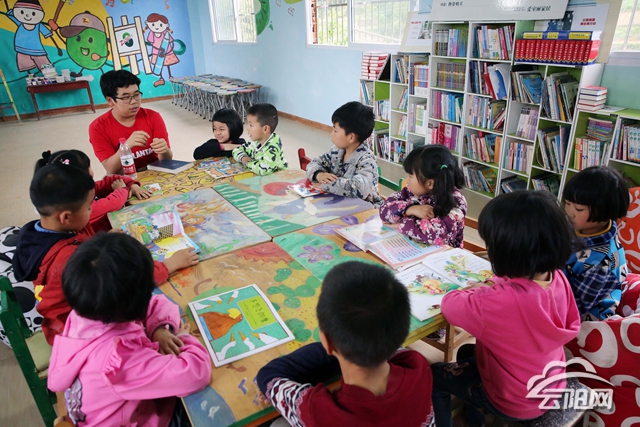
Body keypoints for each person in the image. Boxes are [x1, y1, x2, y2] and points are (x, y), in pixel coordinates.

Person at [431, 191, 581, 427]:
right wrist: (495, 284)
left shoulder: (500, 301)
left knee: (435, 375)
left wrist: (483, 288)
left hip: (513, 400)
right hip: (549, 382)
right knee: (467, 353)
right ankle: (472, 418)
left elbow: (450, 306)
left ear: (506, 253)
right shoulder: (557, 278)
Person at [12, 164, 198, 344]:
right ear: (66, 217)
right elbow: (125, 282)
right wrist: (170, 264)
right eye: (89, 207)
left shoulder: (42, 230)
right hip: (78, 333)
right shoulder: (69, 259)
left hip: (76, 312)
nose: (91, 210)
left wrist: (101, 240)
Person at [48, 233, 211, 427]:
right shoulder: (118, 363)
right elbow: (196, 374)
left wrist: (160, 330)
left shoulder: (84, 314)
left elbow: (155, 303)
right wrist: (184, 338)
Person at [257, 261, 434, 427]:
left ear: (327, 342)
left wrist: (342, 346)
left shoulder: (318, 413)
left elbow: (268, 376)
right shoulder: (417, 365)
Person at [563, 166, 630, 321]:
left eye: (579, 209)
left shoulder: (601, 264)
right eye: (567, 203)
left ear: (604, 211)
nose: (569, 212)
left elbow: (575, 307)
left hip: (585, 316)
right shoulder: (581, 225)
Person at [35, 149, 152, 232]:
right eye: (89, 166)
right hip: (101, 236)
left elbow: (110, 180)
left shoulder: (80, 188)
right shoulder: (78, 206)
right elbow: (113, 202)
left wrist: (132, 184)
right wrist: (123, 189)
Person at [379, 144, 467, 248]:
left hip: (444, 254)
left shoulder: (457, 201)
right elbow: (384, 210)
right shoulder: (410, 191)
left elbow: (439, 235)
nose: (407, 180)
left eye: (411, 176)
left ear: (430, 183)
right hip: (413, 247)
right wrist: (409, 209)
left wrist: (401, 225)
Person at [89, 70, 173, 174]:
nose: (134, 101)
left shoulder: (153, 117)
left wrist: (165, 150)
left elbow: (167, 160)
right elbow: (111, 169)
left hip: (155, 171)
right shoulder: (98, 127)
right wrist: (126, 147)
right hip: (124, 175)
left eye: (136, 95)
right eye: (126, 97)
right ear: (110, 101)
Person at [306, 101, 383, 207]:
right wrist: (318, 174)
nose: (331, 134)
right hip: (340, 203)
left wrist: (326, 184)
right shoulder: (336, 151)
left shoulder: (367, 160)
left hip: (366, 209)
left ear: (351, 137)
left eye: (335, 131)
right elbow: (313, 163)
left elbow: (360, 188)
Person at [232, 103, 287, 175]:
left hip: (279, 179)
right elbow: (236, 150)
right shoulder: (255, 141)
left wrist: (247, 163)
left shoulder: (273, 147)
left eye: (251, 125)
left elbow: (263, 170)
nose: (247, 128)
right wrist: (243, 157)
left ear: (265, 129)